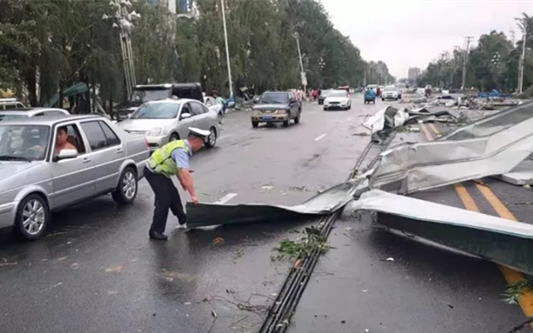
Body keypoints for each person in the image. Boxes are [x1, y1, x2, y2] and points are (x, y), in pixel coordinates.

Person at [143, 127, 210, 241]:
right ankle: (155, 231)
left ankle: (183, 220)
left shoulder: (182, 145)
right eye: (202, 143)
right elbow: (185, 174)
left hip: (162, 172)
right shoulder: (182, 151)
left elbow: (177, 168)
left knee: (173, 195)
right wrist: (193, 195)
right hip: (153, 172)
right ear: (197, 141)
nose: (201, 147)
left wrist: (181, 182)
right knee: (164, 200)